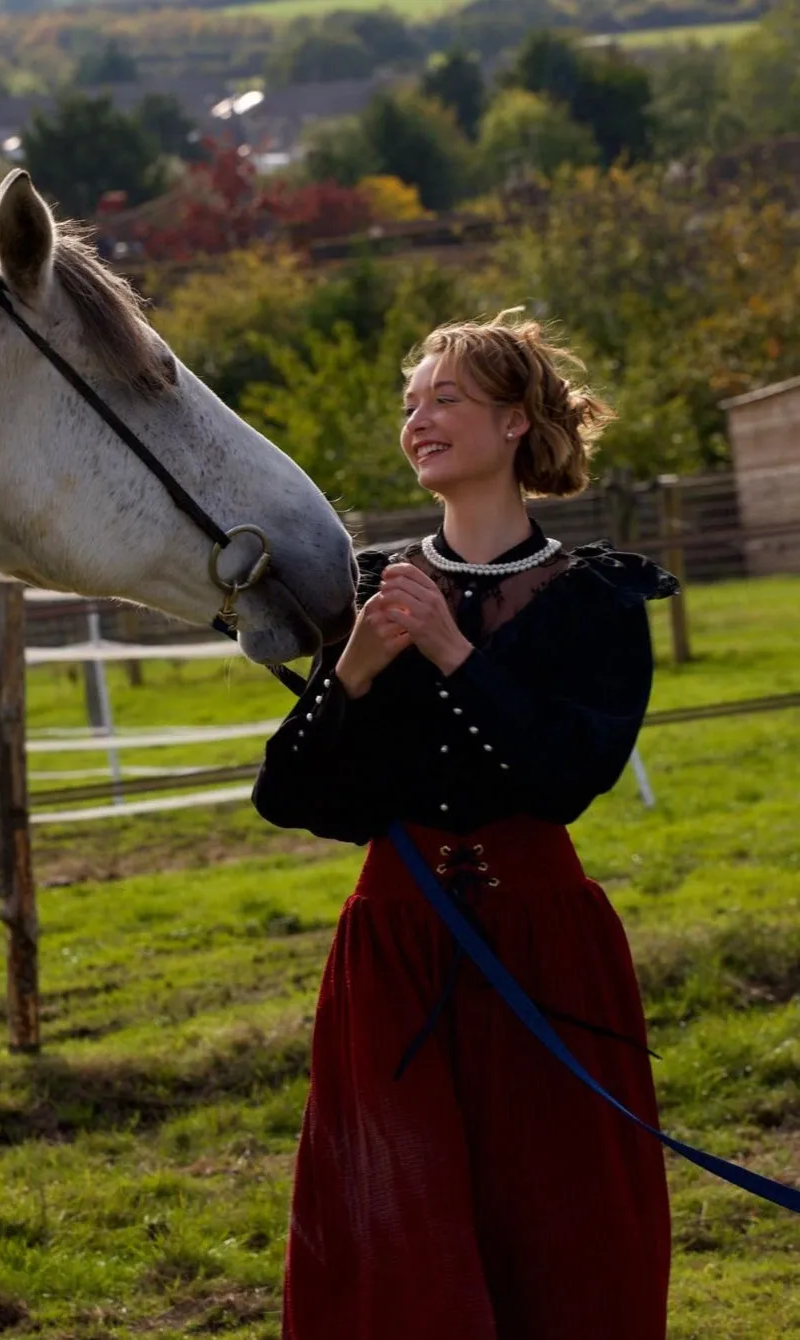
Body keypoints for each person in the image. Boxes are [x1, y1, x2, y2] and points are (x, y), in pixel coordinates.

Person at [253, 312, 676, 1340]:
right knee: (402, 1226)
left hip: (547, 944)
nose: (420, 419)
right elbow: (296, 795)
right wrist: (349, 674)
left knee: (564, 1218)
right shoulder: (367, 593)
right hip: (395, 945)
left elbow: (571, 776)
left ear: (515, 422)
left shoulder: (598, 604)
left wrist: (453, 652)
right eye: (411, 404)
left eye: (445, 397)